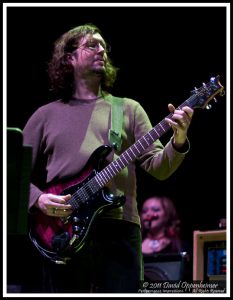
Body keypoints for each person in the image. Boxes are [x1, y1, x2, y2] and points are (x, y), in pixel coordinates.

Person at [22, 23, 194, 293]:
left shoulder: (127, 108)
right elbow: (12, 175)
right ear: (69, 57)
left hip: (119, 228)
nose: (101, 49)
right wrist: (38, 199)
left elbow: (160, 169)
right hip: (59, 231)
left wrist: (179, 138)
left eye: (103, 45)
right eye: (92, 44)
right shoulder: (45, 115)